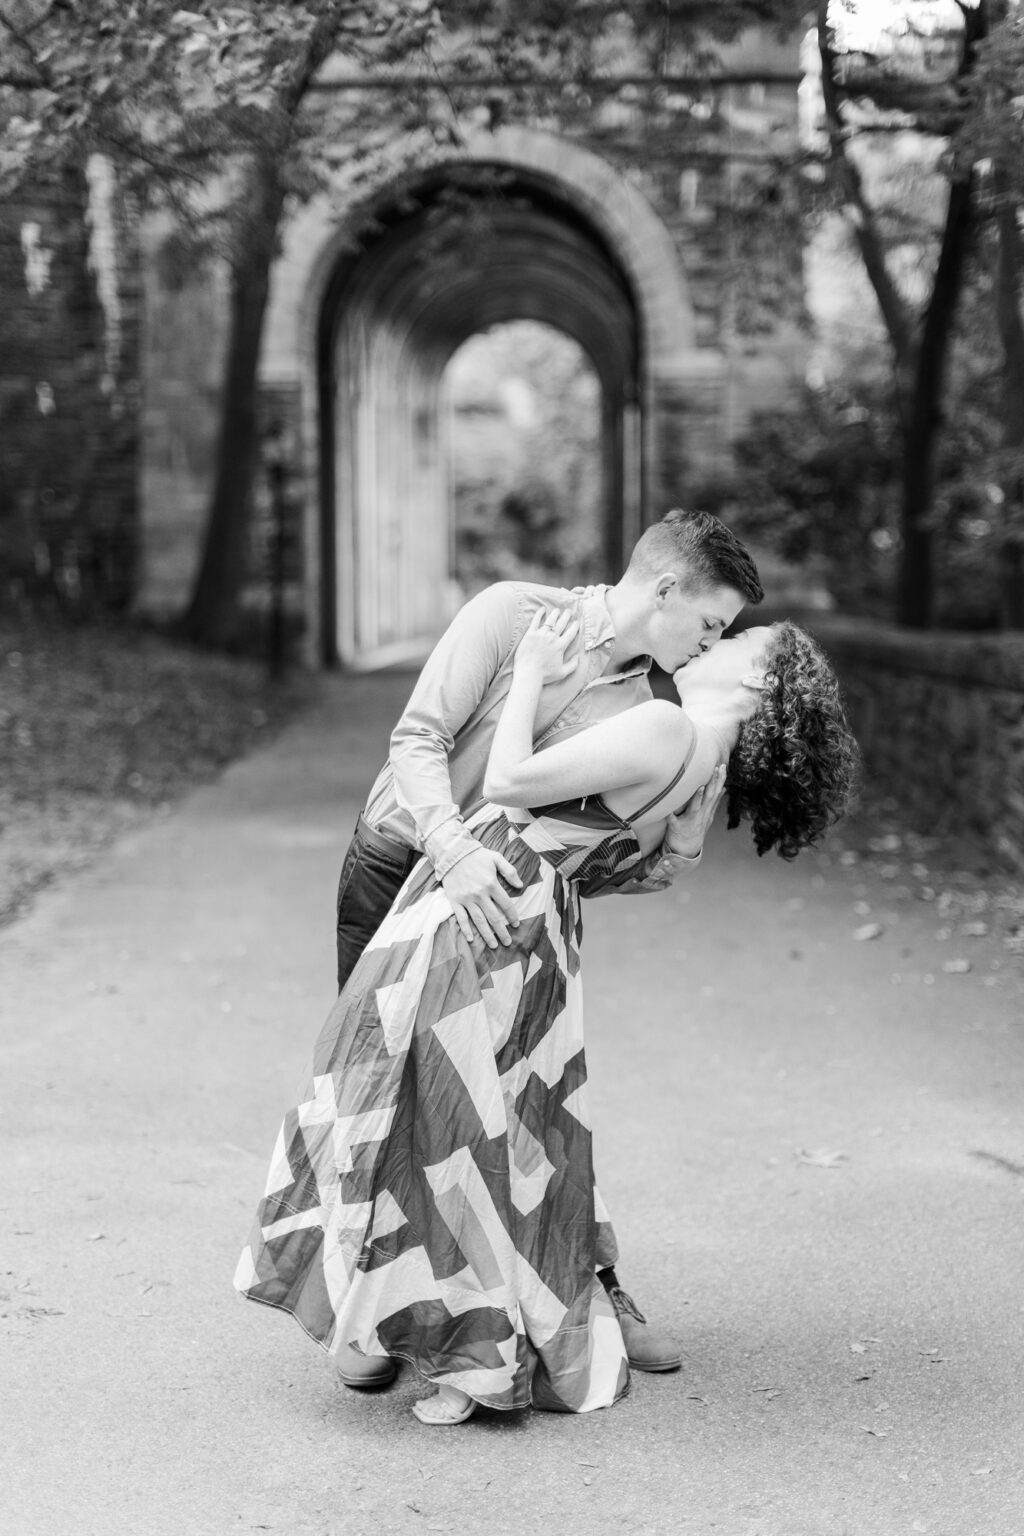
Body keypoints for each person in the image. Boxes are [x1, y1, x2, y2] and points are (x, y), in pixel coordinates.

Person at [235, 612, 858, 1426]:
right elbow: (643, 866)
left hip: (488, 904)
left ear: (756, 682)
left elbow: (506, 782)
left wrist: (528, 668)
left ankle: (462, 1360)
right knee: (482, 1139)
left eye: (735, 641)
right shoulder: (701, 772)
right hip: (540, 922)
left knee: (425, 1123)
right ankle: (444, 1345)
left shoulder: (669, 727)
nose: (714, 644)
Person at [328, 509, 765, 1386]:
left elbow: (581, 864)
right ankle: (370, 1321)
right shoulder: (512, 613)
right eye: (710, 625)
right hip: (398, 867)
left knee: (529, 1118)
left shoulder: (655, 707)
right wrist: (452, 855)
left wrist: (669, 859)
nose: (710, 644)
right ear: (666, 587)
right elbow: (419, 736)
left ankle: (592, 1292)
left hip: (507, 925)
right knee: (378, 1101)